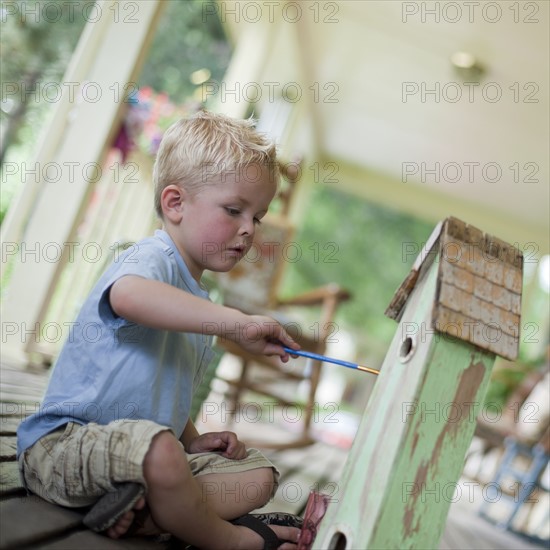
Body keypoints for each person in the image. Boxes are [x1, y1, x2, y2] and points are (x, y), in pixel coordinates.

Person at [17, 111, 302, 550]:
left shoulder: (197, 303)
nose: (248, 229)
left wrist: (195, 438)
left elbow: (162, 383)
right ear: (175, 204)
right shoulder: (151, 259)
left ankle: (143, 516)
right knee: (162, 450)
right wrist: (237, 322)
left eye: (258, 216)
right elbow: (129, 296)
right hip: (65, 449)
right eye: (233, 210)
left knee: (258, 475)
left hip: (138, 461)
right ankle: (234, 540)